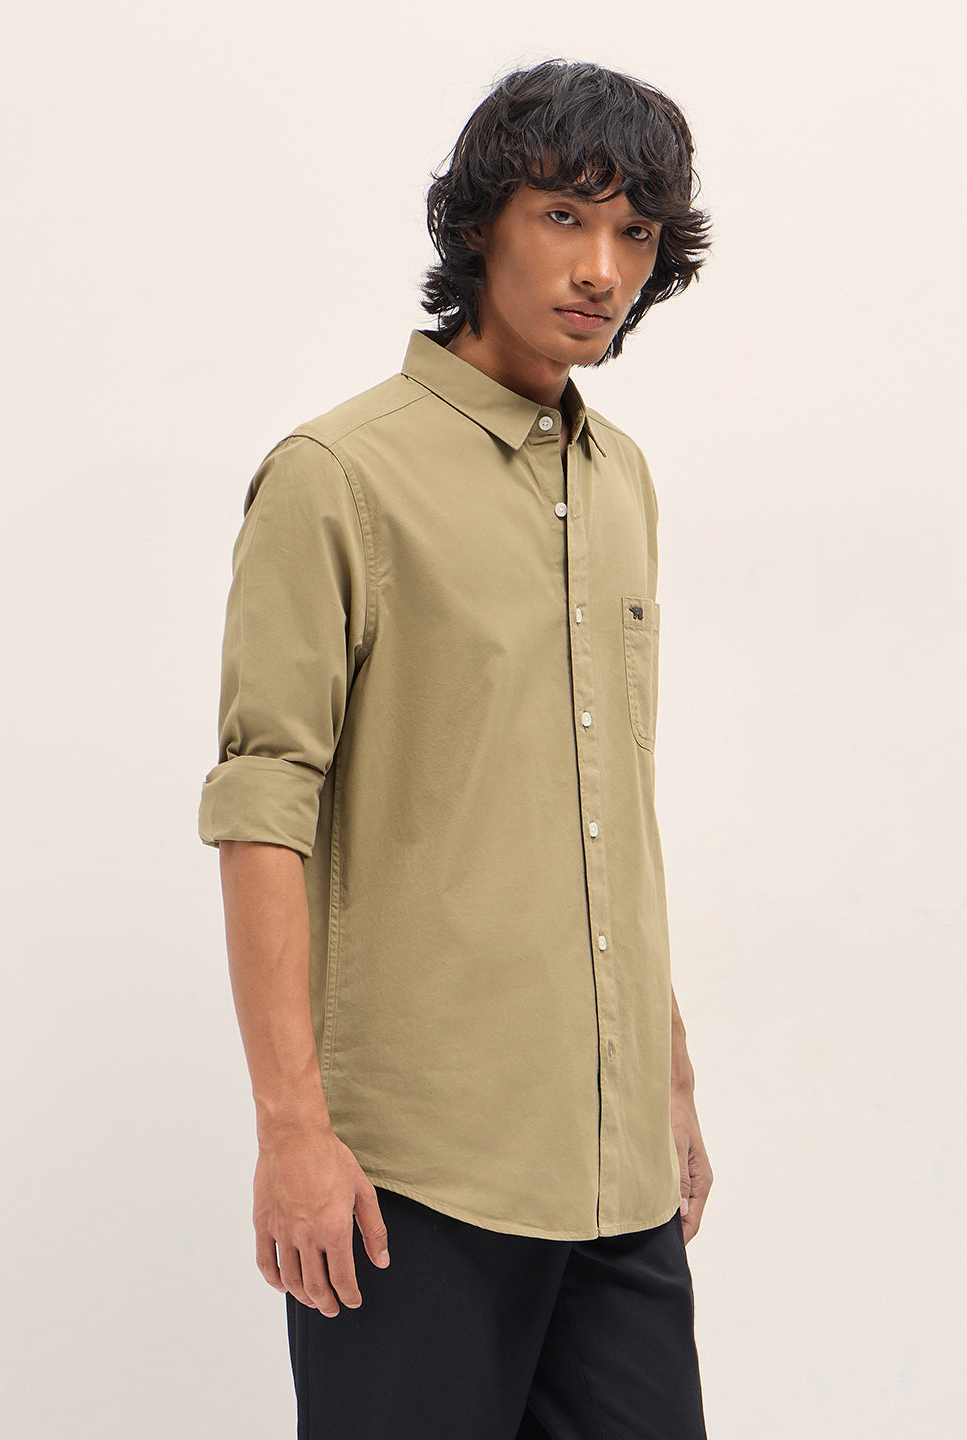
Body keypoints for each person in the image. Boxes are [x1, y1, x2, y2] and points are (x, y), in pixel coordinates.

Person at [198, 56, 715, 1439]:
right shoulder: (336, 476)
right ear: (481, 224)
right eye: (565, 217)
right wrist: (291, 1133)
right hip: (411, 1178)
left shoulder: (621, 481)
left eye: (636, 233)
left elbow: (612, 804)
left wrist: (664, 1079)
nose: (602, 269)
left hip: (612, 1172)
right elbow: (262, 808)